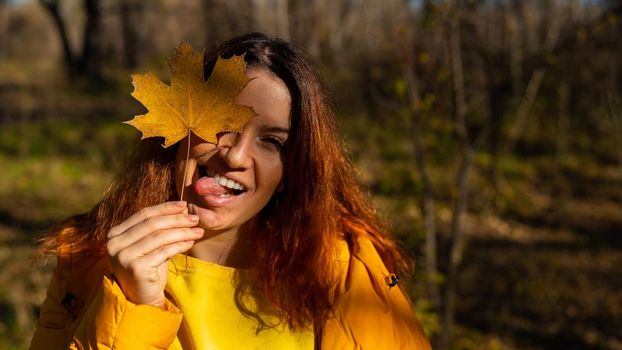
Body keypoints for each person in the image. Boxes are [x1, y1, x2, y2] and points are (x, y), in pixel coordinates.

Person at [30, 32, 431, 349]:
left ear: (294, 170)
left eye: (272, 142)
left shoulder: (345, 270)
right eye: (224, 122)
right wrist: (132, 305)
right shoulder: (87, 261)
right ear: (179, 125)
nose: (236, 155)